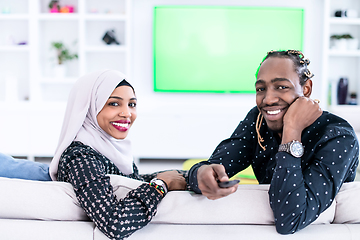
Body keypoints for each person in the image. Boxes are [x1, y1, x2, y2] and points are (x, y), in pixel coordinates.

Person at [188, 50, 359, 234]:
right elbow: (211, 168)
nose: (268, 99)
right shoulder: (258, 120)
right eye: (261, 89)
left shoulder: (339, 137)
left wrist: (292, 129)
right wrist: (201, 174)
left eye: (282, 87)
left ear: (306, 89)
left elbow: (290, 219)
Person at [49, 69, 187, 239]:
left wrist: (181, 176)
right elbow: (116, 223)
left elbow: (129, 180)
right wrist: (161, 184)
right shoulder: (81, 158)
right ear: (89, 106)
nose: (127, 113)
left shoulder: (107, 150)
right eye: (114, 103)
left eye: (132, 104)